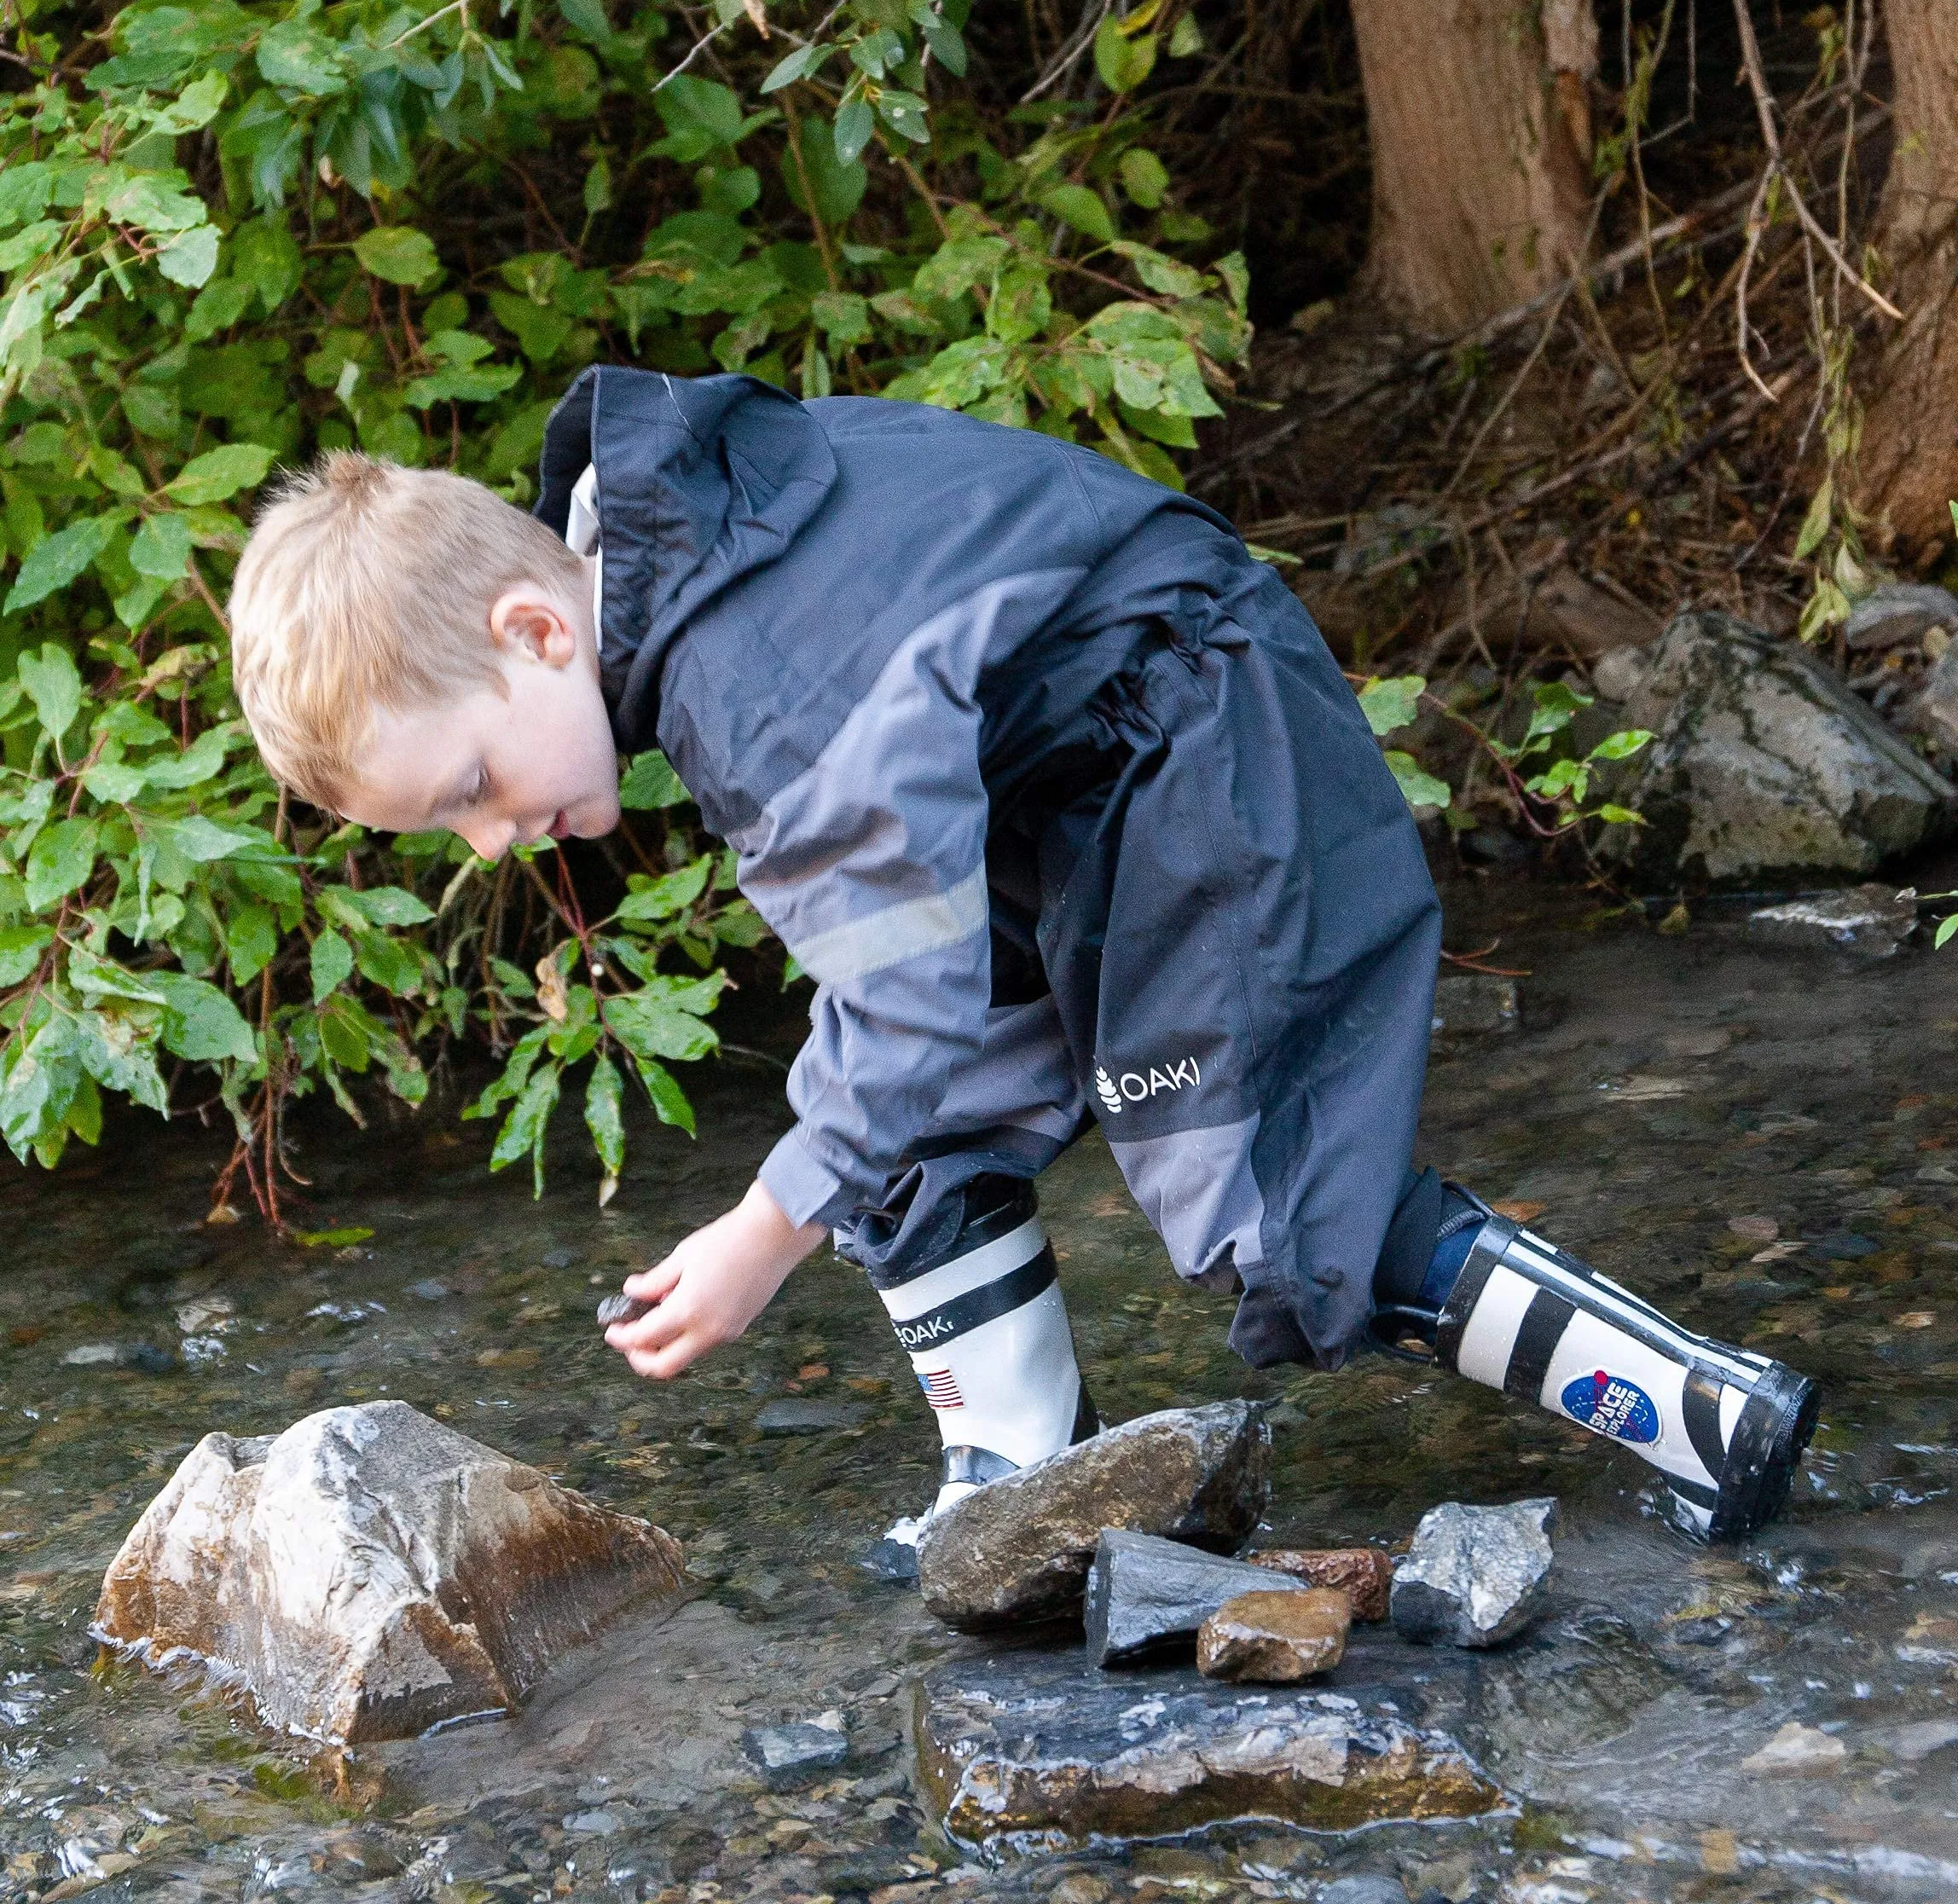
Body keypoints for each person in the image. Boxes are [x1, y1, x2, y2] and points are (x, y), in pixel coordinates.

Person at [228, 365, 1820, 1544]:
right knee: (883, 1130)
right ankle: (1027, 1481)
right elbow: (896, 1008)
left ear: (533, 629)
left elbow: (909, 1008)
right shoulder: (677, 548)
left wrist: (759, 1235)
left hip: (1196, 749)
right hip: (1057, 783)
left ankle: (1698, 1411)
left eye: (471, 791)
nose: (494, 841)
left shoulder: (759, 681)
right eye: (452, 829)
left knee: (1265, 1201)